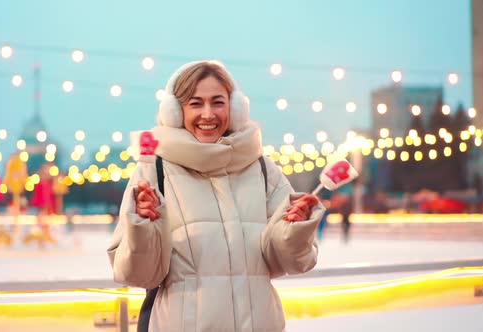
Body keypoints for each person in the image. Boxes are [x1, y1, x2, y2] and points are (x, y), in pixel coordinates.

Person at [107, 60, 325, 331]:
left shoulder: (262, 167)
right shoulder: (155, 169)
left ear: (234, 109)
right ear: (176, 112)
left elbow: (290, 261)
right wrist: (144, 227)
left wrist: (294, 227)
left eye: (218, 102)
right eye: (195, 103)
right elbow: (137, 274)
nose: (208, 114)